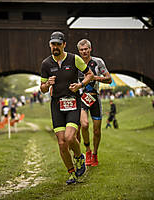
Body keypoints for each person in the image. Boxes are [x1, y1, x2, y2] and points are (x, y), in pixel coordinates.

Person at [40, 31, 94, 185]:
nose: (55, 47)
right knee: (62, 143)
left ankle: (79, 158)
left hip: (73, 103)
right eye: (53, 44)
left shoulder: (74, 59)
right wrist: (47, 84)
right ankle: (72, 173)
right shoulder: (46, 64)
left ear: (64, 44)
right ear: (50, 45)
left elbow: (89, 74)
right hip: (56, 105)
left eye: (58, 44)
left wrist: (80, 85)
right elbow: (42, 89)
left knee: (70, 137)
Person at [77, 39, 112, 167]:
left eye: (86, 49)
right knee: (84, 124)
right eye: (81, 50)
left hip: (94, 98)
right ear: (79, 51)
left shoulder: (98, 62)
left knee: (97, 131)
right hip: (81, 99)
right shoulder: (76, 62)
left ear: (90, 49)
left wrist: (94, 77)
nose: (84, 51)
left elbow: (109, 79)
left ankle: (95, 154)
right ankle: (87, 151)